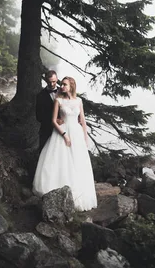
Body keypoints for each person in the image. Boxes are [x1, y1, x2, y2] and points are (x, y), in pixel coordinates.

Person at [32, 76, 97, 211]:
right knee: (60, 161)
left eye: (65, 84)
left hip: (77, 134)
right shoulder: (58, 100)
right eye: (61, 84)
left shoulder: (79, 101)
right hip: (63, 132)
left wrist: (85, 137)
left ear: (71, 86)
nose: (62, 86)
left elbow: (83, 121)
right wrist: (64, 135)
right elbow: (54, 121)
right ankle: (57, 191)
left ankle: (78, 193)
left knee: (77, 162)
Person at [35, 70, 61, 152]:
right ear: (46, 80)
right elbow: (38, 116)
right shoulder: (40, 96)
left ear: (57, 79)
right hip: (46, 130)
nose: (52, 84)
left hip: (62, 128)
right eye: (49, 82)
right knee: (44, 153)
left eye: (53, 81)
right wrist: (53, 120)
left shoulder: (63, 92)